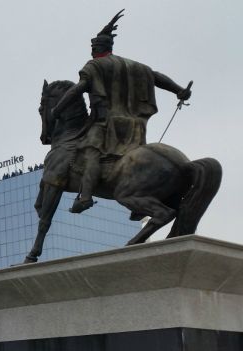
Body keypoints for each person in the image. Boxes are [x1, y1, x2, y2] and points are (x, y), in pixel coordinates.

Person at [51, 9, 193, 214]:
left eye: (93, 48)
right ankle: (142, 192)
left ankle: (85, 196)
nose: (91, 52)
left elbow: (77, 89)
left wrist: (58, 109)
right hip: (135, 126)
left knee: (90, 151)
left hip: (106, 124)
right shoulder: (135, 66)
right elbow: (156, 77)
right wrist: (179, 90)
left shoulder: (94, 66)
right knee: (132, 158)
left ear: (97, 48)